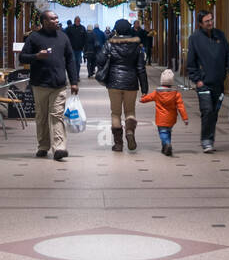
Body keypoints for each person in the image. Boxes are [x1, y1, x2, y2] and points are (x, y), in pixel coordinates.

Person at [19, 9, 80, 161]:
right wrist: (36, 56)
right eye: (53, 19)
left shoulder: (63, 37)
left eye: (57, 18)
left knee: (57, 115)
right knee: (41, 117)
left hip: (58, 84)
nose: (56, 21)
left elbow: (71, 59)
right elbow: (22, 57)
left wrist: (74, 81)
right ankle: (43, 146)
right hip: (40, 84)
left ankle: (59, 147)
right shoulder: (34, 37)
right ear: (45, 22)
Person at [95, 17, 149, 151]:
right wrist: (144, 88)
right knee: (130, 111)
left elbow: (100, 60)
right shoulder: (136, 46)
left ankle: (118, 144)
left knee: (115, 113)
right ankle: (130, 133)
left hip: (113, 82)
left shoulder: (109, 44)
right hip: (131, 82)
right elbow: (141, 68)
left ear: (116, 30)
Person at [186, 10, 229, 153]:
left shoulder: (220, 35)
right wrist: (197, 79)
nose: (210, 23)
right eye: (207, 21)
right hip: (204, 82)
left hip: (218, 81)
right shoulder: (195, 38)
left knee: (214, 112)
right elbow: (191, 61)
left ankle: (210, 139)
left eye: (211, 20)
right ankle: (206, 141)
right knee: (207, 110)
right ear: (200, 24)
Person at [140, 68, 188, 156]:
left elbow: (148, 98)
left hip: (161, 118)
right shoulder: (176, 94)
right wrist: (185, 118)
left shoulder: (157, 93)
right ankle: (165, 147)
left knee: (163, 132)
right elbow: (181, 106)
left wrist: (142, 99)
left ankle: (166, 144)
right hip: (171, 118)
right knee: (168, 131)